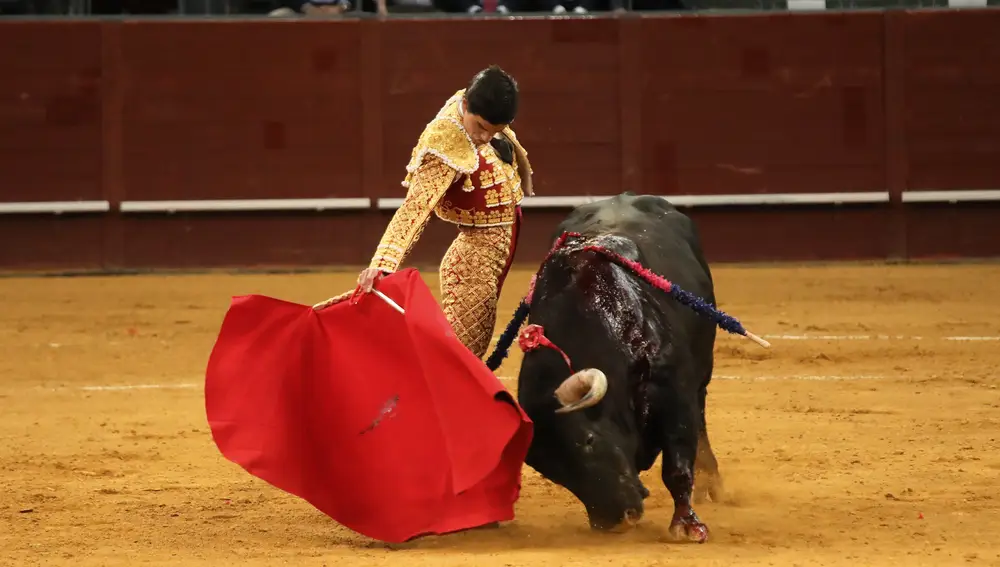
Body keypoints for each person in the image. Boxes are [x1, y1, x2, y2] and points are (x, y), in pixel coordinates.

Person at [314, 65, 533, 360]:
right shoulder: (444, 144)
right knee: (464, 357)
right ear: (466, 105)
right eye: (480, 127)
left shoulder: (475, 104)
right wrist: (383, 263)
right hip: (474, 258)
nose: (484, 138)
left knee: (465, 353)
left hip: (496, 244)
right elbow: (416, 207)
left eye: (493, 131)